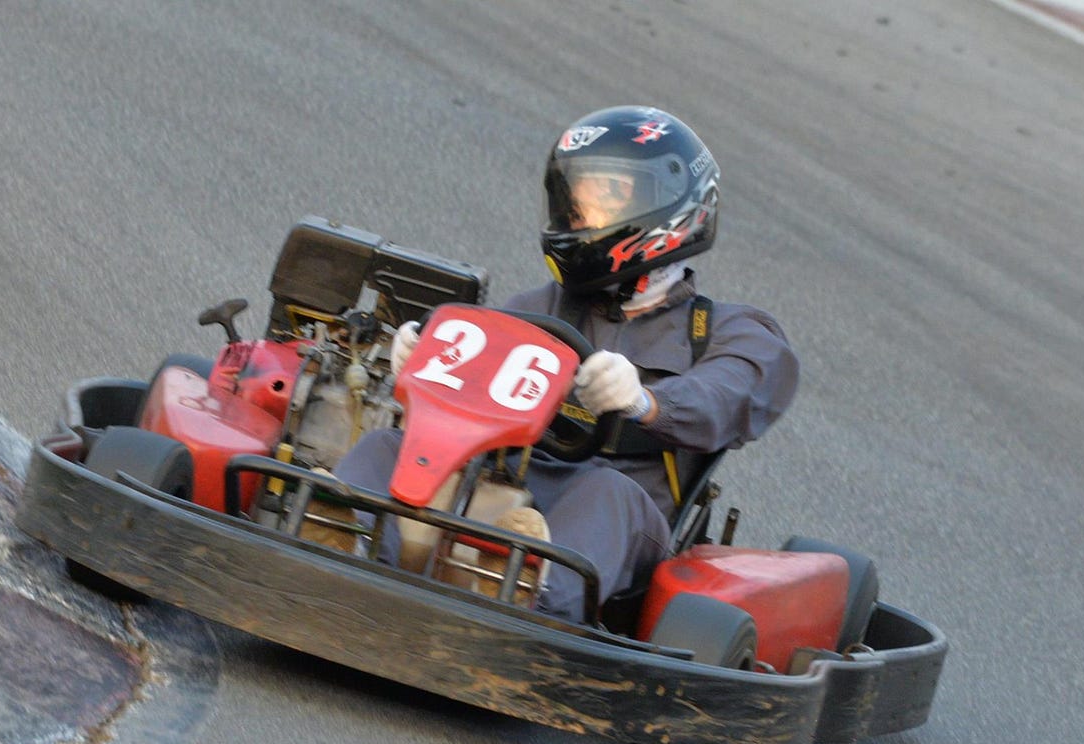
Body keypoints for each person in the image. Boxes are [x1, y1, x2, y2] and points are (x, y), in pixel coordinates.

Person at [333, 105, 798, 622]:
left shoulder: (732, 333)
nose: (581, 214)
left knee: (607, 492)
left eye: (608, 194)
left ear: (671, 209)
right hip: (501, 482)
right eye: (575, 198)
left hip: (616, 518)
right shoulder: (537, 307)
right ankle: (343, 545)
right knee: (384, 446)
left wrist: (646, 402)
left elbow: (727, 397)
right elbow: (461, 396)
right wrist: (422, 366)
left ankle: (522, 594)